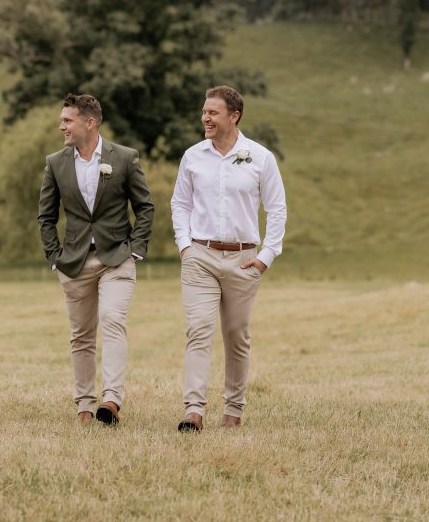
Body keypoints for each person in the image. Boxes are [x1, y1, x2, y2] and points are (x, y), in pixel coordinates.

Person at [171, 85, 286, 432]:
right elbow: (180, 203)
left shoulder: (261, 158)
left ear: (233, 117)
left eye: (212, 112)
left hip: (243, 260)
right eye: (204, 112)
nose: (205, 118)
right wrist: (185, 246)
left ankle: (233, 411)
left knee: (237, 336)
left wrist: (266, 256)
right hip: (200, 257)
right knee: (198, 330)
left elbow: (277, 208)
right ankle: (194, 410)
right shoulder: (192, 156)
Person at [38, 93, 154, 426]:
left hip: (117, 258)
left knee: (113, 319)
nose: (62, 125)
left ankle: (112, 400)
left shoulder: (125, 158)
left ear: (89, 123)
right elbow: (45, 217)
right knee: (81, 336)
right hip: (73, 262)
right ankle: (85, 406)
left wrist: (135, 248)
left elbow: (145, 207)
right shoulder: (55, 163)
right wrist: (55, 257)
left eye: (67, 120)